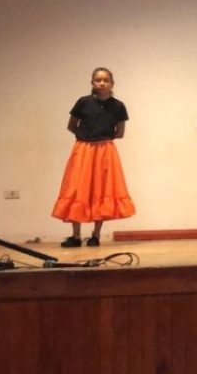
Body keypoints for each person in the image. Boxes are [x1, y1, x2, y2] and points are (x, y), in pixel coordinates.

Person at [52, 67, 136, 247]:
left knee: (102, 189)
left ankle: (95, 236)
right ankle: (75, 236)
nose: (102, 83)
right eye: (98, 80)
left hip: (105, 150)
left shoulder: (118, 106)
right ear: (92, 83)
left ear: (112, 83)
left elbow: (120, 132)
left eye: (106, 80)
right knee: (77, 188)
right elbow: (72, 125)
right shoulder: (83, 102)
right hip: (83, 149)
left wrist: (102, 140)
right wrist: (86, 138)